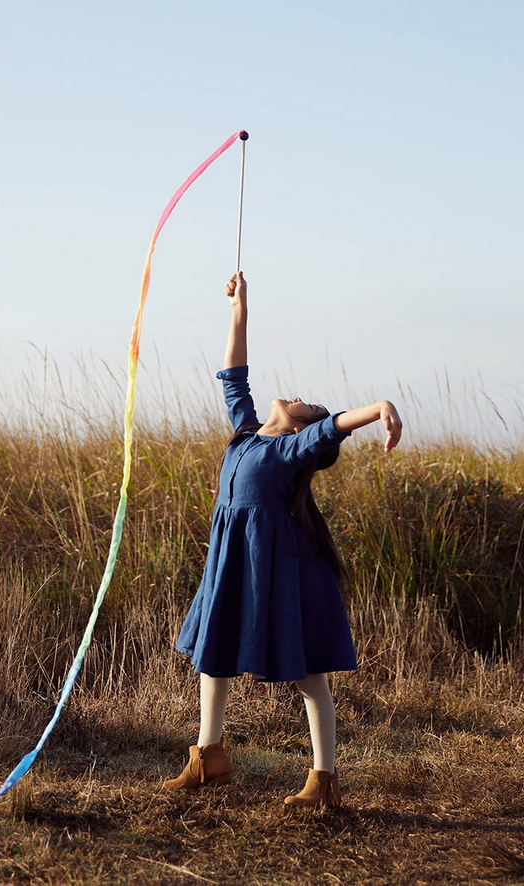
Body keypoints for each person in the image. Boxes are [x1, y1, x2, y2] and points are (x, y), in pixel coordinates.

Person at [164, 271, 402, 808]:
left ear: (300, 431)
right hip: (230, 565)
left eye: (308, 405)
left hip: (268, 571)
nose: (301, 398)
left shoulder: (287, 452)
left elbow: (332, 427)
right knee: (212, 652)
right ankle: (210, 755)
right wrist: (239, 308)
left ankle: (324, 780)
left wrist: (378, 408)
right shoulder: (247, 434)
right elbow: (233, 376)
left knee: (306, 670)